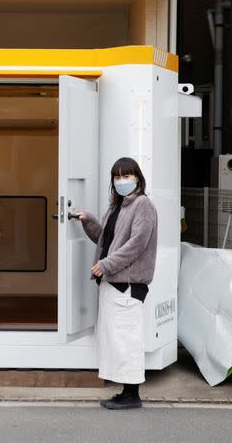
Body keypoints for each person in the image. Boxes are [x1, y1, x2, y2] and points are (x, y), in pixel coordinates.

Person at [75, 157, 158, 410]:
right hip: (113, 283)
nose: (122, 181)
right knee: (117, 339)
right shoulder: (117, 207)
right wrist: (88, 220)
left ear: (138, 178)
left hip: (128, 285)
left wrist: (107, 265)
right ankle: (125, 392)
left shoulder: (143, 205)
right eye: (117, 177)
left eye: (126, 176)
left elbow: (136, 245)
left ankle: (132, 396)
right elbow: (105, 240)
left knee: (128, 339)